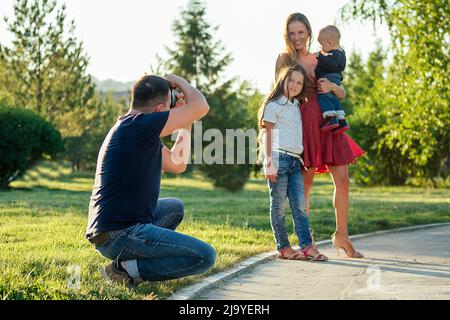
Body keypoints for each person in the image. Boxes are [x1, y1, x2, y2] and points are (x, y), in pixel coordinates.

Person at [86, 74, 217, 285]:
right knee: (204, 256)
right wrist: (180, 82)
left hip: (117, 228)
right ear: (158, 110)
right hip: (119, 233)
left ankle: (132, 261)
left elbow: (178, 163)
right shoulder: (138, 126)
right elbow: (201, 106)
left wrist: (186, 120)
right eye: (168, 108)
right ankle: (126, 270)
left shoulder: (135, 129)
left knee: (174, 207)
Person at [275, 12, 365, 258]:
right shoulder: (284, 59)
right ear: (287, 35)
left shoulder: (321, 57)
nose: (296, 38)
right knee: (305, 183)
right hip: (304, 123)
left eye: (301, 32)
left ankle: (341, 235)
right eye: (292, 33)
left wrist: (333, 87)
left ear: (309, 33)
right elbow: (279, 96)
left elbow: (342, 91)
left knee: (343, 179)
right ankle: (307, 240)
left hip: (328, 120)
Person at [257, 64, 328, 261]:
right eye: (291, 80)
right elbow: (267, 134)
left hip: (295, 162)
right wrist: (268, 162)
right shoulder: (273, 105)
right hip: (278, 159)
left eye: (299, 82)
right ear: (282, 80)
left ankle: (307, 246)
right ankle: (284, 247)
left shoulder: (296, 105)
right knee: (278, 206)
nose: (295, 85)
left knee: (299, 206)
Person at [315, 25, 349, 134]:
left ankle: (331, 119)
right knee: (333, 99)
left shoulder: (335, 54)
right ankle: (341, 120)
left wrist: (319, 57)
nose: (321, 49)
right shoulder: (341, 53)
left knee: (323, 96)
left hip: (329, 77)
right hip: (336, 78)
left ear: (330, 43)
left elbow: (331, 65)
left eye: (321, 45)